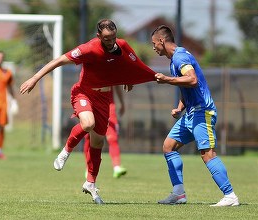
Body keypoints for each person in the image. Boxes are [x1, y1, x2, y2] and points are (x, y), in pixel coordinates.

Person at [20, 19, 156, 204]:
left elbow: (133, 64)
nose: (111, 41)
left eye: (113, 37)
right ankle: (66, 151)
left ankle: (90, 183)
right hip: (83, 93)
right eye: (107, 38)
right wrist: (35, 78)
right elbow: (59, 60)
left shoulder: (121, 45)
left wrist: (129, 78)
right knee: (88, 123)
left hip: (104, 99)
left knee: (98, 142)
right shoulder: (88, 49)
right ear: (98, 36)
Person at [151, 25, 239, 206]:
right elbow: (187, 87)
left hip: (202, 111)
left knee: (207, 153)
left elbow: (192, 80)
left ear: (162, 40)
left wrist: (167, 80)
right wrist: (180, 107)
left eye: (154, 44)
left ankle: (230, 195)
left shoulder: (180, 56)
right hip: (191, 114)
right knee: (168, 146)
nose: (154, 48)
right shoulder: (174, 59)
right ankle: (178, 194)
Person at [83, 86, 127, 178]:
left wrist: (122, 102)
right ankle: (88, 168)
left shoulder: (111, 72)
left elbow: (117, 85)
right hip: (92, 104)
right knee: (89, 137)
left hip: (109, 106)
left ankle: (117, 166)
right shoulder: (89, 71)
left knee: (112, 137)